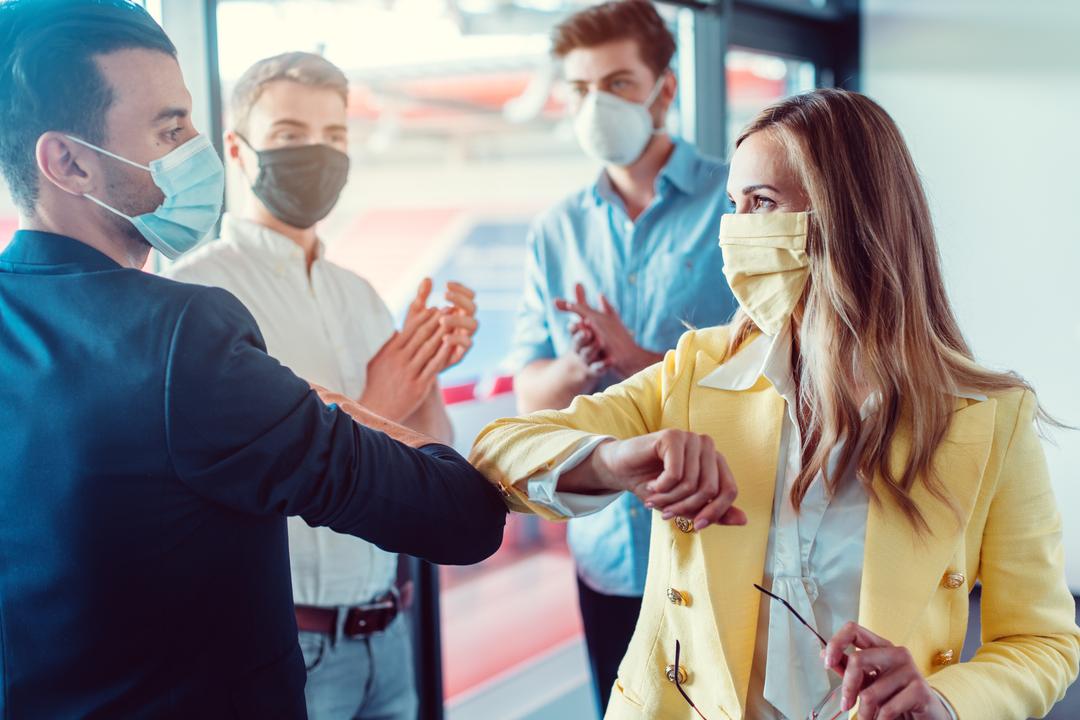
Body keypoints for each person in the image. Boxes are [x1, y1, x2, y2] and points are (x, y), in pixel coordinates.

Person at [473, 88, 1080, 719]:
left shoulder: (991, 419)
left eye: (762, 203)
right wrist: (615, 459)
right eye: (732, 207)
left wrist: (943, 702)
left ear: (851, 215)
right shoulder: (694, 371)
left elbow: (1042, 641)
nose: (736, 232)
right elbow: (498, 449)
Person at [0, 1, 505, 716]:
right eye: (170, 129)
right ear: (69, 162)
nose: (193, 151)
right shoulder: (187, 329)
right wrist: (345, 406)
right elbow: (462, 516)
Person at [165, 51, 477, 720]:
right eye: (289, 135)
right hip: (287, 647)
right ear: (238, 149)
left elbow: (432, 450)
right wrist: (377, 404)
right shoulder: (197, 293)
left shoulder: (361, 295)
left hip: (390, 636)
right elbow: (231, 483)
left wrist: (427, 364)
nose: (317, 152)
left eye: (334, 137)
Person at [506, 1, 738, 709]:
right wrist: (583, 364)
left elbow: (787, 377)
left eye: (617, 83)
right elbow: (530, 399)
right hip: (607, 552)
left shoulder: (738, 201)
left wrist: (639, 356)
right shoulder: (556, 230)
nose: (595, 104)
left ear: (665, 90)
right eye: (579, 89)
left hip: (724, 541)